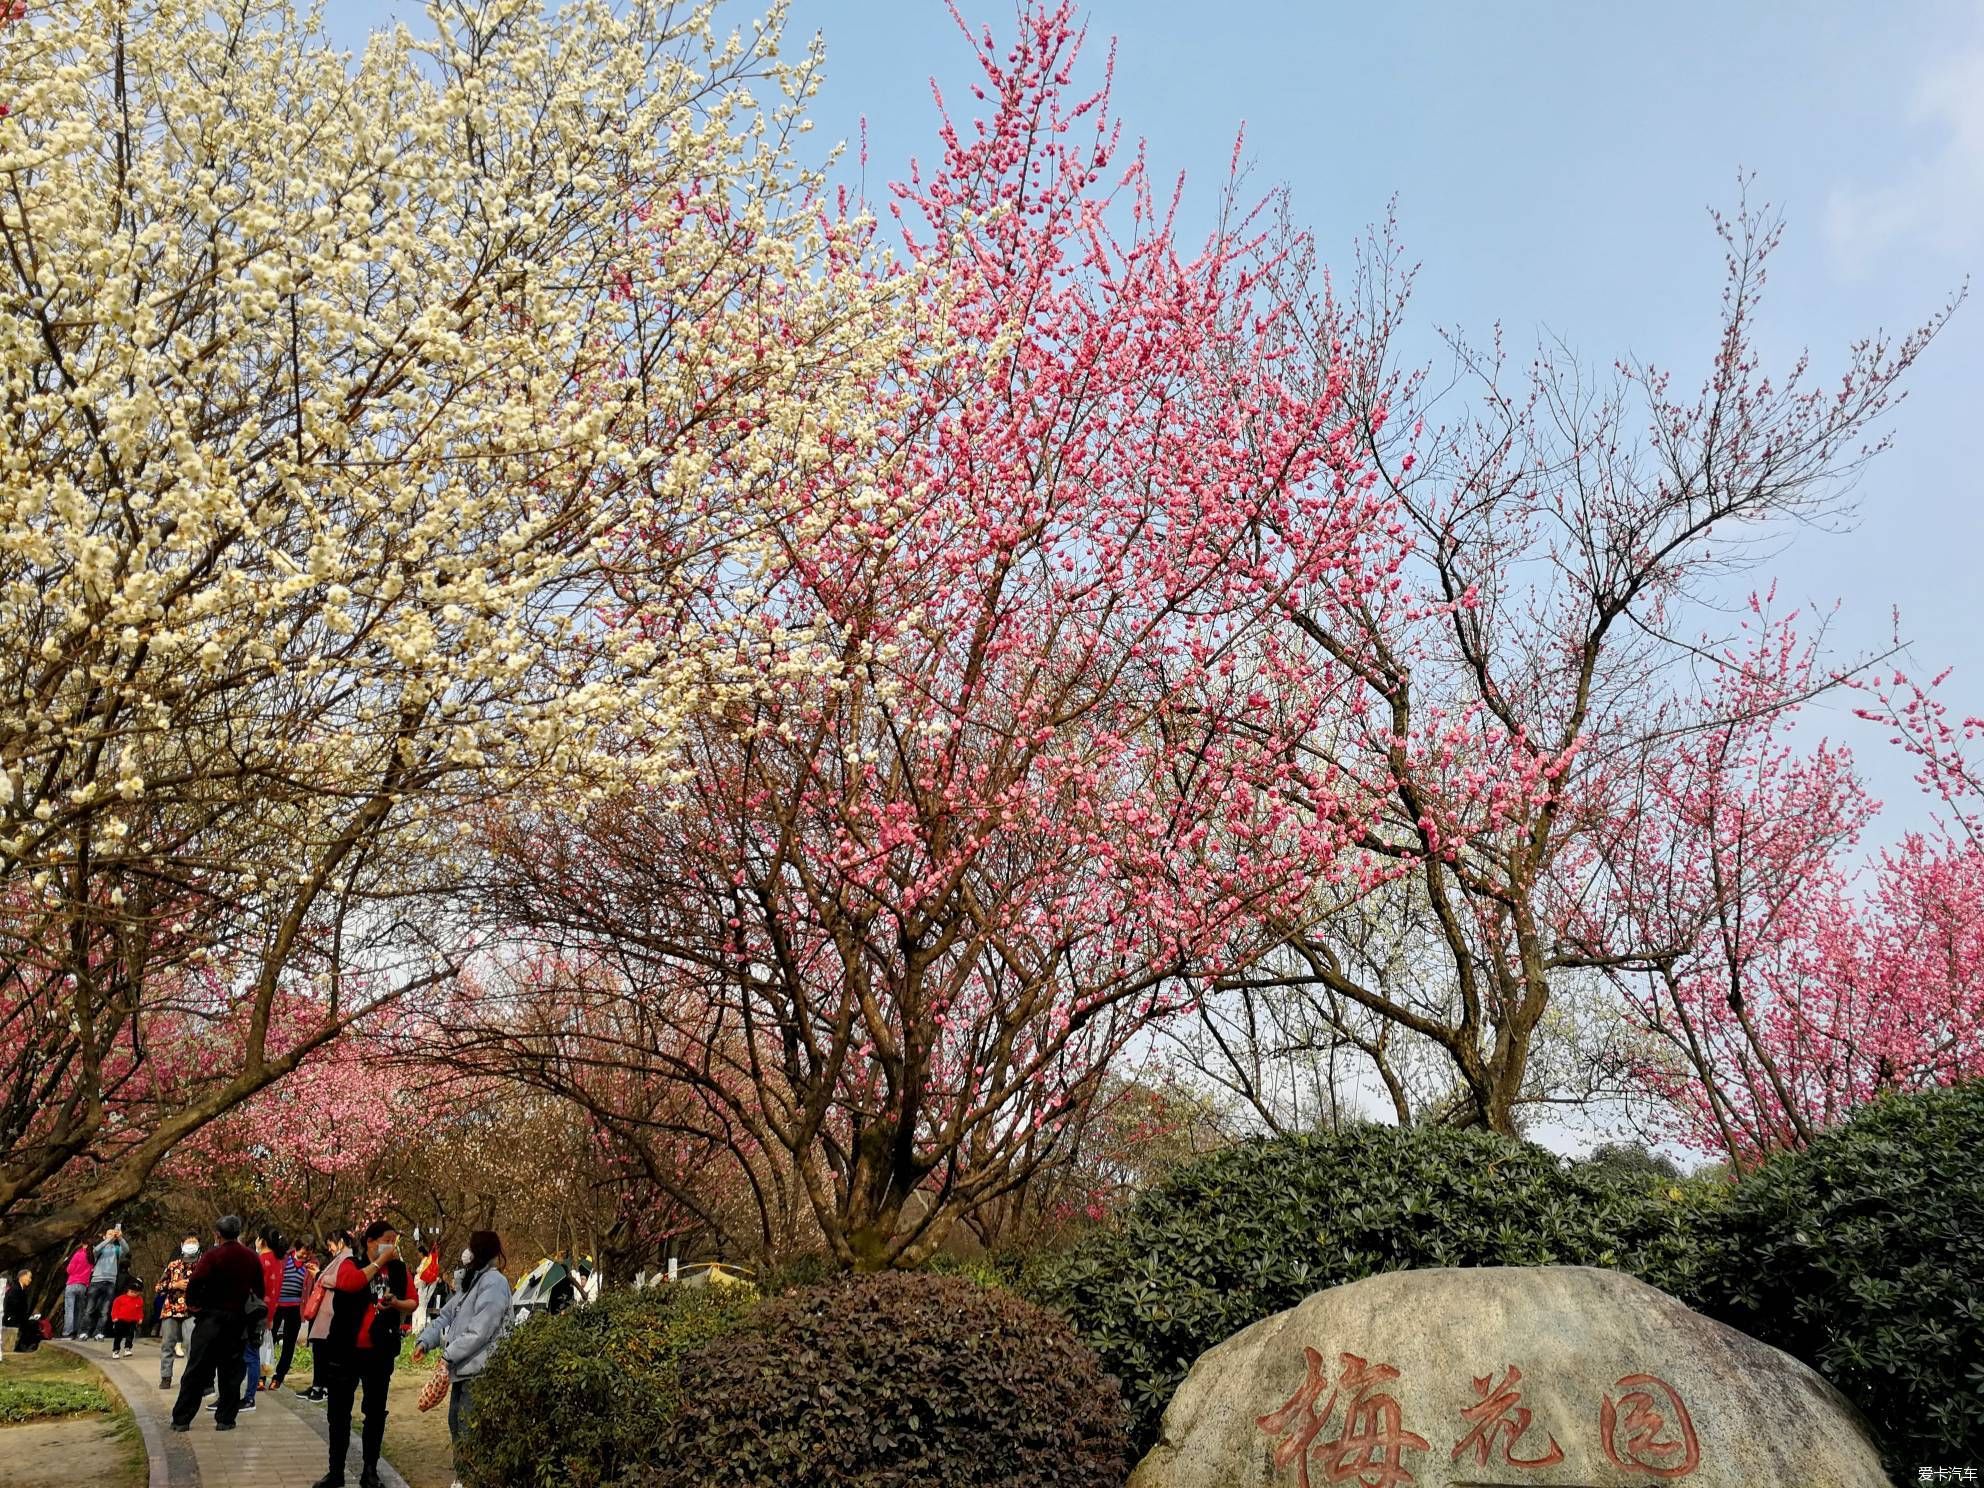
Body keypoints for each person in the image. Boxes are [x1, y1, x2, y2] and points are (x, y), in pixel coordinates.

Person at [311, 1220, 416, 1488]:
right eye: (387, 1239)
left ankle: (370, 1471)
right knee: (339, 1413)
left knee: (375, 1412)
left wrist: (396, 1303)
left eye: (394, 1241)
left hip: (380, 1351)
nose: (392, 1245)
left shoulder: (399, 1269)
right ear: (371, 1241)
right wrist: (379, 1262)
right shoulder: (351, 1264)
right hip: (346, 1349)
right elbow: (351, 1283)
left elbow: (412, 1302)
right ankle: (335, 1472)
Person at [413, 1230, 511, 1488]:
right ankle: (464, 1478)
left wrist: (448, 1355)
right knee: (456, 1423)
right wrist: (426, 1340)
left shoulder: (494, 1283)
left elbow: (481, 1331)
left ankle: (472, 1480)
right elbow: (446, 1315)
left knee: (469, 1428)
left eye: (470, 1247)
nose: (466, 1252)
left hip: (481, 1370)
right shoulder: (469, 1283)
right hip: (463, 1369)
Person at [167, 1215, 264, 1434]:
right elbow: (259, 1290)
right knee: (231, 1372)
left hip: (210, 1319)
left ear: (217, 1234)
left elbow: (195, 1283)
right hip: (238, 1320)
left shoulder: (212, 1256)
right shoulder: (250, 1257)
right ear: (237, 1233)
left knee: (196, 1371)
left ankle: (182, 1418)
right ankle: (226, 1418)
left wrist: (194, 1306)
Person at [302, 1234, 352, 1403]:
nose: (330, 1248)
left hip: (331, 1310)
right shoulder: (339, 1257)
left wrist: (320, 1276)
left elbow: (339, 1280)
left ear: (341, 1242)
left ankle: (322, 1387)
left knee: (323, 1350)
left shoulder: (347, 1258)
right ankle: (318, 1385)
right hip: (326, 1310)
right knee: (320, 1349)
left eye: (331, 1244)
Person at [270, 1239, 315, 1390]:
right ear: (296, 1248)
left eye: (308, 1252)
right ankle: (262, 1375)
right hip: (277, 1305)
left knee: (289, 1345)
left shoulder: (311, 1265)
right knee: (269, 1339)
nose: (305, 1255)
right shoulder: (284, 1259)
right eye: (303, 1251)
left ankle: (278, 1377)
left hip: (295, 1308)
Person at [155, 1234, 198, 1389]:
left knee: (191, 1344)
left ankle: (192, 1378)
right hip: (171, 1310)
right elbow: (158, 1287)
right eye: (189, 1242)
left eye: (194, 1242)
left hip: (192, 1311)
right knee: (168, 1344)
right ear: (182, 1245)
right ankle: (166, 1376)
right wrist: (175, 1285)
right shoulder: (173, 1265)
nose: (192, 1244)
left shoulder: (201, 1265)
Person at [83, 1225, 127, 1339]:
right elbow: (95, 1250)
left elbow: (126, 1250)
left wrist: (120, 1238)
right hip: (97, 1280)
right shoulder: (101, 1247)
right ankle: (85, 1331)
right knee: (90, 1309)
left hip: (110, 1281)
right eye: (109, 1233)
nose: (112, 1235)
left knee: (105, 1310)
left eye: (113, 1233)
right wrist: (108, 1239)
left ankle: (99, 1332)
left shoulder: (117, 1249)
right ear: (104, 1236)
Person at [4, 1268, 40, 1354]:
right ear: (22, 1277)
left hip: (18, 1317)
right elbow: (14, 1307)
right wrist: (26, 1317)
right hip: (11, 1318)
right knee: (31, 1324)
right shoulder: (15, 1290)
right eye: (29, 1277)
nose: (30, 1280)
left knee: (33, 1323)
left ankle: (25, 1345)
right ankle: (22, 1346)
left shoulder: (21, 1290)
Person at [108, 1279, 145, 1359]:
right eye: (132, 1292)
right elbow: (115, 1309)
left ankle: (127, 1348)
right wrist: (114, 1317)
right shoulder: (120, 1299)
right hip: (121, 1320)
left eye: (136, 1292)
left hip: (132, 1320)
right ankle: (116, 1350)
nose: (133, 1294)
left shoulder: (139, 1300)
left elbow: (140, 1310)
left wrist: (140, 1318)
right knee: (118, 1335)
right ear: (127, 1290)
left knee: (130, 1335)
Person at [62, 1242, 92, 1339]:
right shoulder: (92, 1257)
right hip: (83, 1285)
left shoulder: (78, 1254)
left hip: (72, 1283)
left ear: (85, 1245)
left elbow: (69, 1270)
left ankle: (68, 1332)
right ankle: (77, 1331)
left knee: (69, 1310)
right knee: (79, 1310)